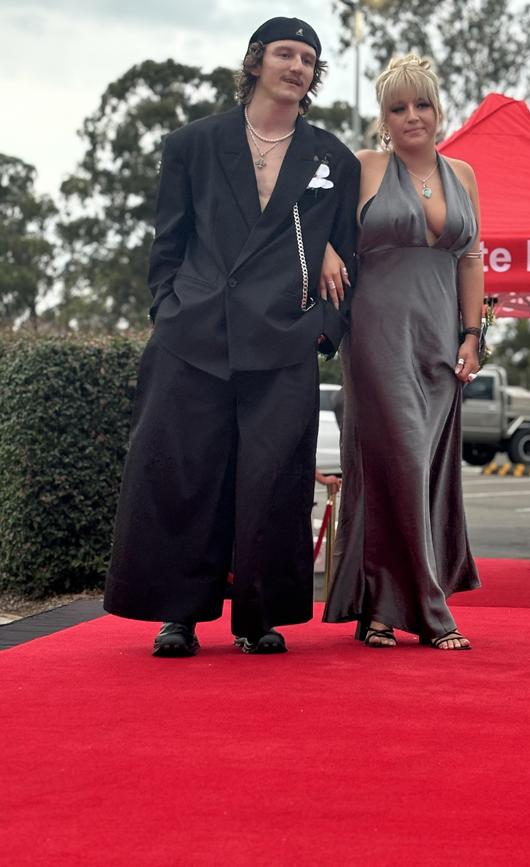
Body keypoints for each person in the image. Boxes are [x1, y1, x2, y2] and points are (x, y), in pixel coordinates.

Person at [103, 17, 360, 655]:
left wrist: (320, 333)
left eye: (307, 58)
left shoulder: (333, 157)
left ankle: (258, 617)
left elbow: (350, 257)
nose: (296, 66)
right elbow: (168, 243)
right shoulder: (191, 144)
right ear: (254, 62)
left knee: (272, 482)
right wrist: (170, 312)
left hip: (283, 343)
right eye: (284, 53)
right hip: (193, 340)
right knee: (185, 475)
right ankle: (178, 616)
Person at [322, 55, 483, 649]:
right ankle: (430, 612)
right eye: (398, 107)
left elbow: (471, 258)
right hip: (377, 334)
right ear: (383, 119)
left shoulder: (463, 174)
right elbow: (313, 226)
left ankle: (379, 607)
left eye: (422, 104)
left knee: (421, 472)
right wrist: (327, 253)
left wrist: (473, 336)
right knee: (406, 460)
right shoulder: (363, 167)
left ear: (440, 111)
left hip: (440, 341)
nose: (412, 116)